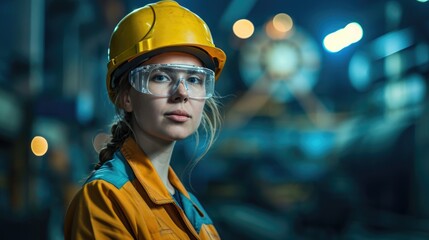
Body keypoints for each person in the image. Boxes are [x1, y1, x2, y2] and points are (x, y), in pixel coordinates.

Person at [64, 0, 226, 239]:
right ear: (126, 97)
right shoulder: (106, 199)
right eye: (160, 77)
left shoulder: (190, 209)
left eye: (194, 79)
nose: (182, 93)